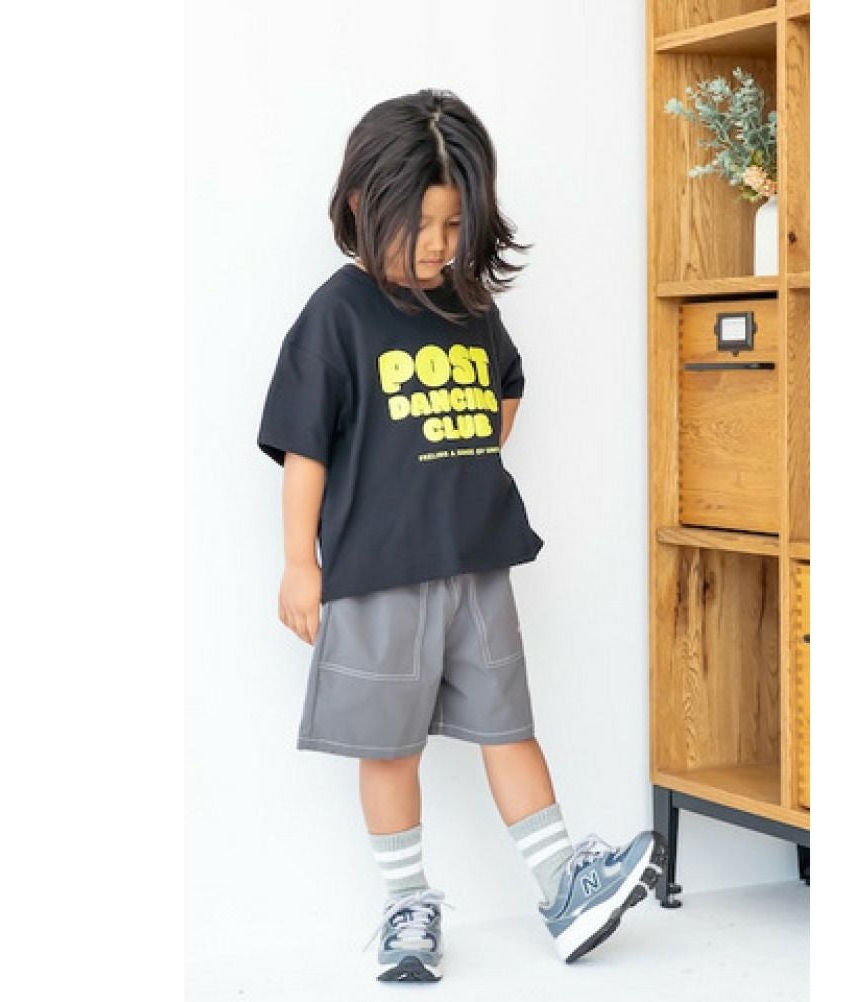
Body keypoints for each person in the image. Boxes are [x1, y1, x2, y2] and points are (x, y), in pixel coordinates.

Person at [257, 87, 666, 984]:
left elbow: (506, 385)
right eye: (422, 225)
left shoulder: (470, 306)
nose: (439, 244)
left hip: (477, 564)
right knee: (388, 746)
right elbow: (303, 448)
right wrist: (298, 562)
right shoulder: (337, 316)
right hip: (376, 575)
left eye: (453, 224)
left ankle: (564, 890)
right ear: (364, 204)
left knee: (509, 724)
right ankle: (407, 906)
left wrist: (466, 452)